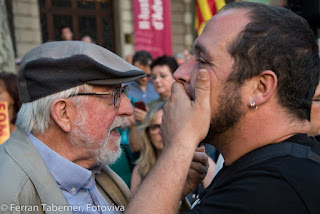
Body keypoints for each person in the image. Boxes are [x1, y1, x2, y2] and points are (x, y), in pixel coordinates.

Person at [125, 2, 320, 214]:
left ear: (259, 88)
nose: (180, 72)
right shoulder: (266, 167)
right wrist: (173, 186)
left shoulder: (269, 191)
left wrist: (179, 143)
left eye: (203, 60)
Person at [0, 41, 208, 213]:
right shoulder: (9, 194)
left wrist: (172, 189)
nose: (128, 108)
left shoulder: (91, 166)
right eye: (114, 96)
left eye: (125, 92)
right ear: (64, 113)